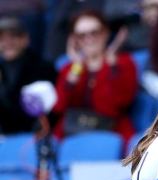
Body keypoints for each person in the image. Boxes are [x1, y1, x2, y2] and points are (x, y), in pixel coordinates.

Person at [53, 10, 138, 143]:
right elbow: (59, 107)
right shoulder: (70, 68)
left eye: (95, 33)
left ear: (106, 32)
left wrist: (111, 64)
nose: (89, 39)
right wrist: (77, 68)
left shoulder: (124, 63)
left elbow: (115, 105)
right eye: (82, 35)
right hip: (71, 134)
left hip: (112, 133)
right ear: (74, 40)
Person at [0, 16, 56, 135]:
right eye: (2, 38)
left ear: (26, 39)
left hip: (36, 137)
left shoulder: (43, 68)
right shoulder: (2, 70)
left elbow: (49, 113)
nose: (7, 43)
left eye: (13, 37)